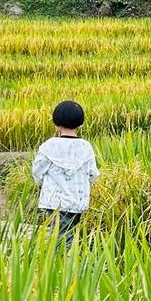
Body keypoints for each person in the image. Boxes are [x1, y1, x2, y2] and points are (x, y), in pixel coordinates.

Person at [31, 101, 99, 245]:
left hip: (54, 202)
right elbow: (93, 174)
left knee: (59, 236)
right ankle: (69, 261)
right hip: (78, 201)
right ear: (80, 123)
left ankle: (60, 263)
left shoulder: (49, 146)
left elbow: (37, 171)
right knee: (70, 233)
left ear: (56, 123)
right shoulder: (86, 148)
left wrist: (42, 184)